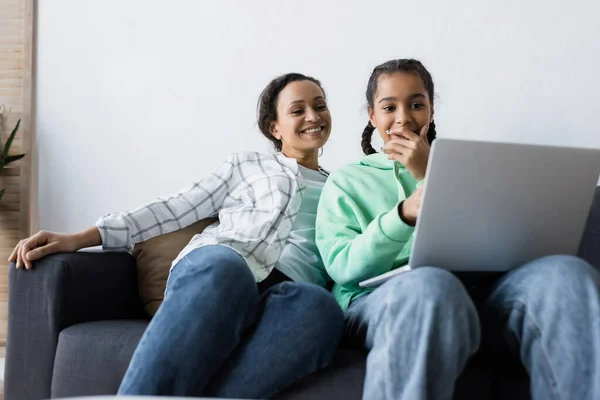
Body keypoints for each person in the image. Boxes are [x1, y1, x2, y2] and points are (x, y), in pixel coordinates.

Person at [10, 73, 344, 399]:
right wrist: (80, 238)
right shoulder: (247, 166)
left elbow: (350, 255)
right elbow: (174, 208)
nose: (313, 116)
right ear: (274, 127)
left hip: (287, 296)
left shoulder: (344, 187)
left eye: (320, 106)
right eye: (298, 110)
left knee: (321, 308)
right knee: (227, 267)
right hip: (220, 273)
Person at [315, 58, 600, 400]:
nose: (404, 117)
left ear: (431, 110)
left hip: (478, 295)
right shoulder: (348, 179)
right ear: (372, 116)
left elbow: (500, 237)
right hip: (385, 301)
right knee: (430, 286)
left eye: (417, 105)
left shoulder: (466, 166)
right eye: (389, 107)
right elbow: (342, 267)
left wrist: (428, 174)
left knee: (566, 275)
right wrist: (402, 215)